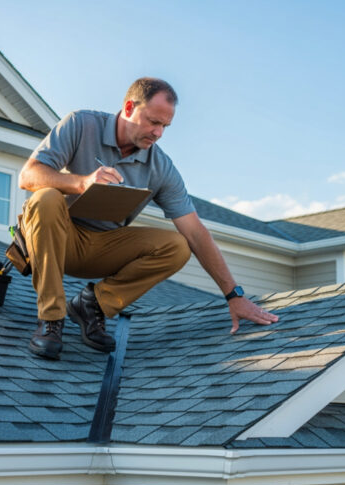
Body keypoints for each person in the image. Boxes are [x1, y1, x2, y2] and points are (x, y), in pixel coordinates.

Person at [18, 77, 278, 359]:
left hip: (102, 248)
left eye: (165, 126)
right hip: (55, 239)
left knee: (177, 245)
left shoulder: (160, 166)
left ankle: (92, 305)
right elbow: (28, 175)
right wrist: (81, 183)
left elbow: (195, 232)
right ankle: (50, 319)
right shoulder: (81, 124)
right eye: (153, 122)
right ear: (129, 107)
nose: (159, 133)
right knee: (45, 198)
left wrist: (234, 295)